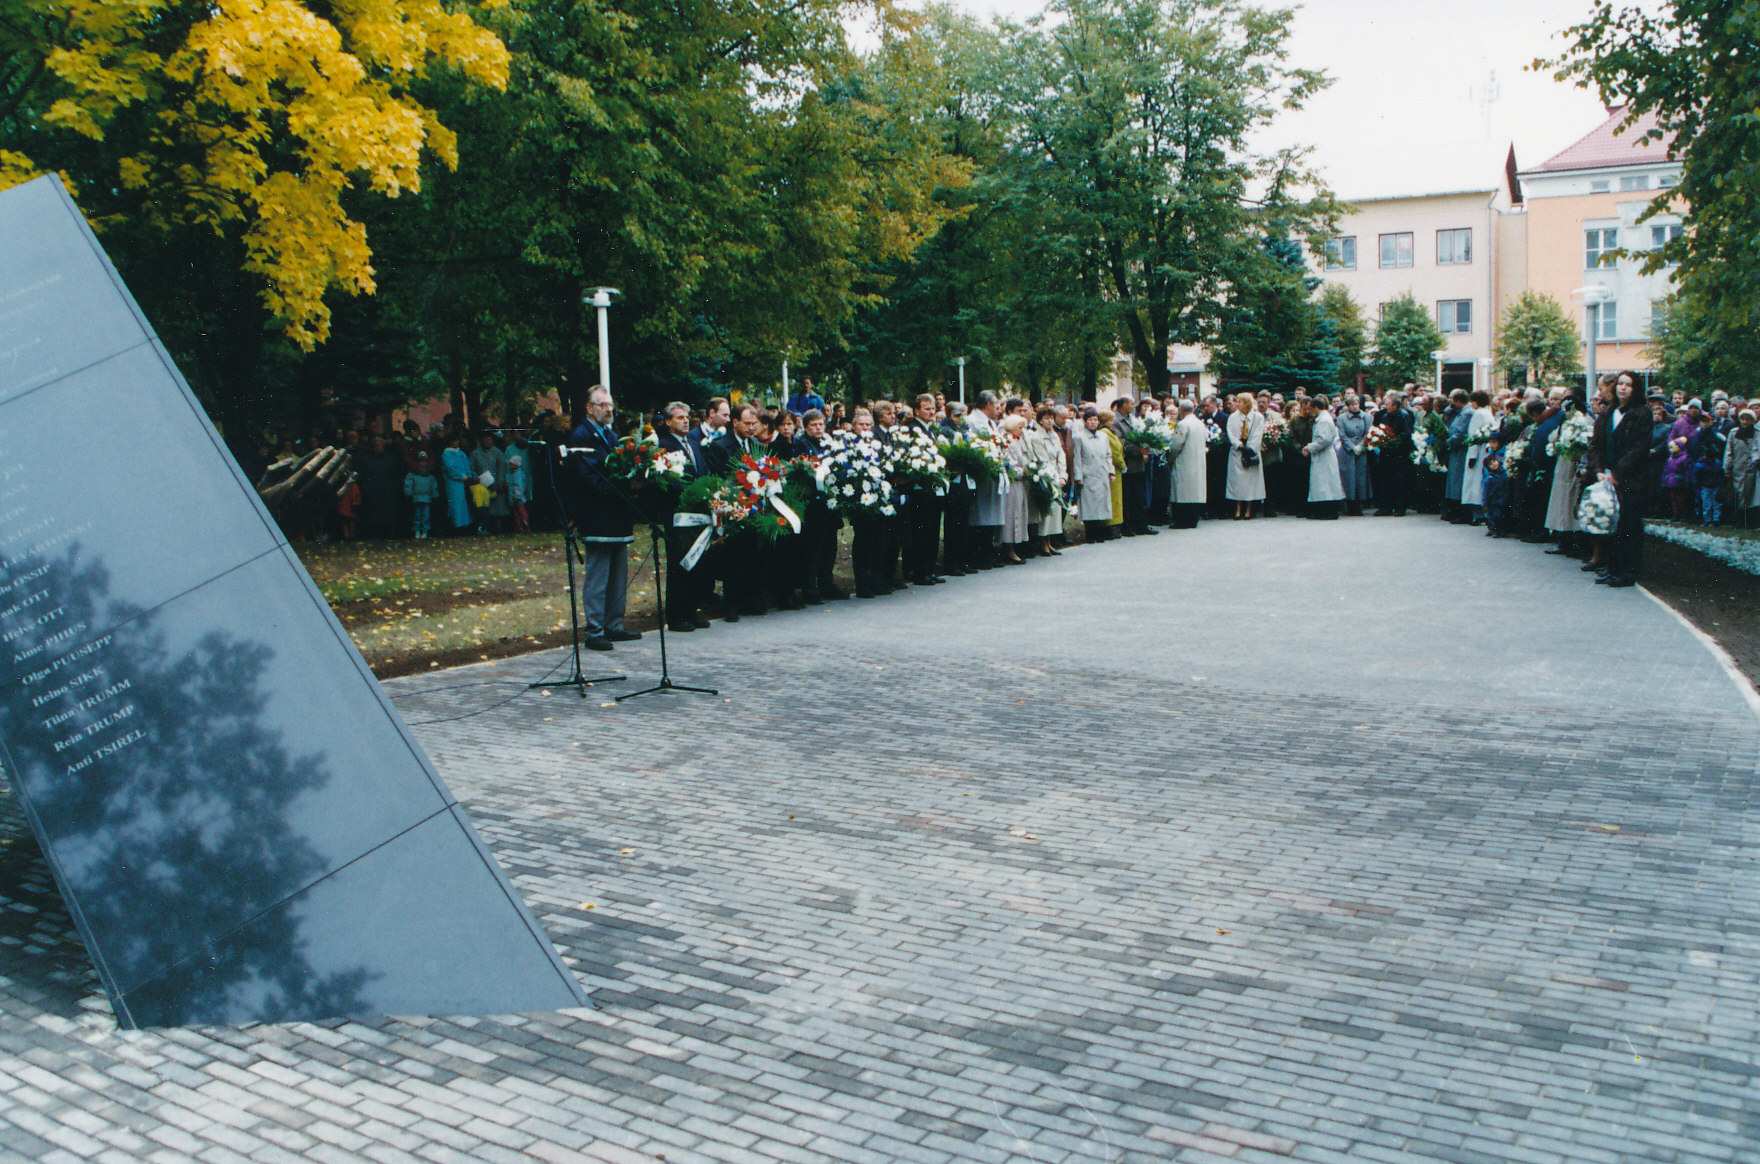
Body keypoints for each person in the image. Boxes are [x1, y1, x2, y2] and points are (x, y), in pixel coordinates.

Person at [568, 386, 642, 649]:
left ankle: (614, 624)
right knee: (598, 575)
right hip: (597, 515)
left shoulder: (610, 435)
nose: (608, 410)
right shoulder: (581, 436)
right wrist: (623, 486)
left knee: (618, 573)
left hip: (617, 516)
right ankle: (595, 629)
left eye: (610, 405)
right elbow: (589, 476)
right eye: (602, 405)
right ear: (589, 408)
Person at [656, 401, 713, 632]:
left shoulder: (694, 443)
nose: (685, 420)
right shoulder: (664, 445)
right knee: (679, 564)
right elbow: (668, 480)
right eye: (679, 417)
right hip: (678, 514)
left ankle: (691, 611)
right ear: (668, 421)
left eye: (687, 416)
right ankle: (677, 615)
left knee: (697, 563)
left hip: (698, 513)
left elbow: (704, 471)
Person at [1596, 370, 1652, 587]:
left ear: (1634, 388)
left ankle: (1628, 571)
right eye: (1620, 383)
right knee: (1611, 525)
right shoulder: (1608, 412)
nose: (1623, 388)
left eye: (1628, 384)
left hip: (1630, 479)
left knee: (1629, 525)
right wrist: (1599, 469)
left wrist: (1617, 473)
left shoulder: (1641, 413)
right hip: (1607, 477)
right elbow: (1597, 445)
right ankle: (1612, 568)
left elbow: (1639, 448)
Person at [901, 393, 946, 586]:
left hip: (932, 485)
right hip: (920, 488)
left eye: (933, 408)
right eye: (927, 408)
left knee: (933, 528)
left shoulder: (931, 429)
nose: (931, 411)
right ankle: (920, 571)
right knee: (922, 530)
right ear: (917, 410)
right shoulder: (912, 429)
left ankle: (929, 569)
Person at [966, 392, 1007, 567]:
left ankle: (988, 551)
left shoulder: (991, 423)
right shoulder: (973, 421)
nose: (997, 408)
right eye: (995, 404)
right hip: (981, 475)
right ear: (988, 404)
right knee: (980, 516)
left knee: (990, 515)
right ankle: (979, 555)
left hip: (992, 474)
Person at [1027, 405, 1066, 556]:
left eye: (1051, 418)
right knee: (1046, 511)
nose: (1049, 421)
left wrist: (1063, 474)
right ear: (1040, 420)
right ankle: (1043, 543)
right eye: (1046, 418)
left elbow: (1061, 454)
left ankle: (1049, 542)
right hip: (1047, 475)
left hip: (1057, 474)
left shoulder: (1054, 435)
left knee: (1055, 511)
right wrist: (1053, 475)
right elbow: (1042, 458)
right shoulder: (1037, 437)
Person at [1071, 406, 1114, 542]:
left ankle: (1100, 532)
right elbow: (1077, 458)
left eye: (1095, 420)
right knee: (1090, 506)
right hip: (1088, 474)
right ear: (1085, 422)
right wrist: (1078, 477)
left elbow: (1108, 455)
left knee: (1101, 504)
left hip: (1101, 472)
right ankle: (1090, 534)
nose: (1093, 422)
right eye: (1090, 420)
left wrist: (1111, 471)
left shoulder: (1103, 436)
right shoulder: (1079, 437)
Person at [1300, 394, 1343, 519]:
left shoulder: (1323, 420)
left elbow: (1324, 440)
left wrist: (1309, 447)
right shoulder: (1325, 418)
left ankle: (1327, 511)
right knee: (1324, 483)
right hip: (1323, 455)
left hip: (1324, 456)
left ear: (1315, 407)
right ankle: (1324, 510)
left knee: (1324, 484)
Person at [1165, 399, 1206, 528]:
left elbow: (1177, 444)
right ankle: (1193, 520)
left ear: (1181, 410)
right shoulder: (1200, 423)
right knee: (1195, 491)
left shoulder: (1183, 424)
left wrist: (1170, 457)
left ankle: (1181, 521)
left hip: (1184, 461)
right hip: (1198, 461)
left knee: (1182, 491)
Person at [1225, 392, 1265, 520]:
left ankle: (1248, 509)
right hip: (1237, 452)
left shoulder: (1258, 417)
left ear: (1247, 403)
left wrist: (1250, 448)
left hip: (1251, 452)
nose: (1237, 404)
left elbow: (1258, 434)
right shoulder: (1233, 417)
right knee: (1237, 482)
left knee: (1250, 482)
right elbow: (1230, 433)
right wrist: (1239, 445)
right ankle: (1237, 509)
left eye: (1240, 401)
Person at [1458, 390, 1496, 525]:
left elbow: (1474, 436)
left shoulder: (1478, 414)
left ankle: (1477, 514)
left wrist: (1472, 456)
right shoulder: (1488, 413)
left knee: (1473, 482)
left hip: (1478, 452)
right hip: (1485, 450)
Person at [999, 414, 1031, 563]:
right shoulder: (1008, 441)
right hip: (1012, 483)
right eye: (1019, 427)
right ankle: (1009, 549)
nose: (1022, 430)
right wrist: (1023, 471)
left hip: (1020, 483)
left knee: (1019, 513)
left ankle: (1016, 547)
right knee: (1012, 516)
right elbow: (1010, 465)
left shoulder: (1017, 441)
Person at [1335, 393, 1373, 515]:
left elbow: (1368, 433)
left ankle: (1360, 503)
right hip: (1347, 451)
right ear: (1347, 406)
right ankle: (1350, 504)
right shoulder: (1342, 418)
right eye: (1351, 405)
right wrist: (1352, 447)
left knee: (1361, 477)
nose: (1354, 406)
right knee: (1348, 477)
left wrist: (1361, 446)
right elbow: (1342, 435)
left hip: (1362, 449)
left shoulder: (1366, 417)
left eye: (1356, 404)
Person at [1726, 409, 1758, 526]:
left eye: (1748, 419)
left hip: (1752, 470)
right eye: (1743, 419)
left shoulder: (1757, 433)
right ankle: (1738, 521)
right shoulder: (1734, 432)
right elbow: (1729, 451)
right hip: (1737, 468)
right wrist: (1727, 467)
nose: (1745, 421)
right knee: (1738, 494)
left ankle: (1749, 521)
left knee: (1750, 496)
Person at [439, 433, 474, 534]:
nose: (456, 442)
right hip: (453, 483)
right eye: (453, 441)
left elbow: (467, 465)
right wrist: (461, 476)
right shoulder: (446, 454)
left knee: (464, 504)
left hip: (464, 482)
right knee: (455, 505)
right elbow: (450, 468)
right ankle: (457, 526)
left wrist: (468, 476)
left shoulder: (461, 453)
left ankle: (465, 525)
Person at [404, 453, 438, 539]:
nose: (423, 463)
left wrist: (434, 494)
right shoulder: (413, 474)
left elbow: (434, 486)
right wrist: (409, 493)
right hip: (416, 497)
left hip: (427, 498)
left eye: (424, 461)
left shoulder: (430, 475)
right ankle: (417, 530)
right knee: (417, 515)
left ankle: (425, 531)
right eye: (421, 461)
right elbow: (408, 484)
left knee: (426, 515)